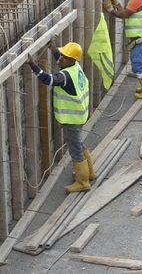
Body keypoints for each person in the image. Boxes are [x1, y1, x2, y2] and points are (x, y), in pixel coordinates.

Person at [27, 41, 95, 193]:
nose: (61, 59)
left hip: (72, 119)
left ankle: (83, 181)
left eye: (64, 57)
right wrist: (53, 49)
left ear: (71, 59)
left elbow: (48, 79)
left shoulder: (65, 77)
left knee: (75, 149)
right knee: (78, 144)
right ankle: (90, 172)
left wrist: (33, 65)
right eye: (62, 55)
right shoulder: (74, 67)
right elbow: (61, 59)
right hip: (79, 115)